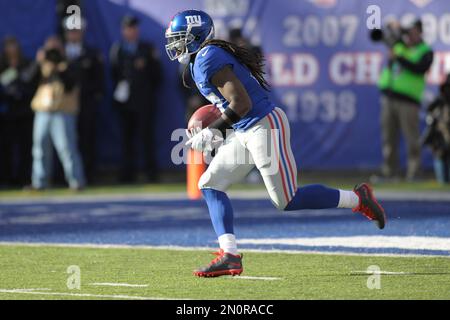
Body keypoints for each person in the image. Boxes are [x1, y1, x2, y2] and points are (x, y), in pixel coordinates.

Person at [165, 10, 387, 278]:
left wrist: (213, 132)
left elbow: (242, 103)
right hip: (246, 129)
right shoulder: (198, 61)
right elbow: (228, 103)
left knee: (287, 199)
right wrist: (215, 123)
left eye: (179, 37)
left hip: (263, 126)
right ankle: (230, 255)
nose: (175, 43)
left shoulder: (207, 57)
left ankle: (358, 198)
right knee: (210, 184)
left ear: (195, 36)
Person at [377, 19, 434, 182]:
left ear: (421, 33)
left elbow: (419, 68)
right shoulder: (400, 45)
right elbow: (378, 35)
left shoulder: (425, 51)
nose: (411, 35)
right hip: (389, 97)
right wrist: (392, 26)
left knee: (411, 139)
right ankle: (389, 172)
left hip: (409, 101)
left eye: (414, 31)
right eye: (408, 31)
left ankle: (414, 172)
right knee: (389, 138)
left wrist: (399, 57)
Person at [110, 15, 162, 183]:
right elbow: (114, 75)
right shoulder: (117, 50)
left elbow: (157, 77)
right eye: (127, 28)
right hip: (124, 103)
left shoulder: (147, 49)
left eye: (133, 28)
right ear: (123, 30)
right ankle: (127, 174)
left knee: (147, 138)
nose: (131, 31)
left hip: (144, 102)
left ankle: (150, 174)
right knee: (126, 140)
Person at [29, 35, 85, 190]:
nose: (53, 53)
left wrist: (59, 67)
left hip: (63, 111)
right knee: (39, 148)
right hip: (43, 111)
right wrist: (39, 62)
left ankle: (76, 182)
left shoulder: (69, 63)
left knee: (67, 148)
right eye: (50, 49)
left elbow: (70, 84)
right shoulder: (42, 66)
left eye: (56, 49)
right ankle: (39, 182)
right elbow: (27, 81)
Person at [63, 17, 104, 184]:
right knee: (66, 141)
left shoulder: (91, 53)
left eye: (77, 31)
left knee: (88, 139)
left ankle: (89, 175)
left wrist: (94, 98)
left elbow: (99, 80)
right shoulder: (60, 53)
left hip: (86, 104)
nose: (74, 34)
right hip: (64, 105)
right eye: (71, 31)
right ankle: (65, 177)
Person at [0, 36, 36, 187]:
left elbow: (31, 84)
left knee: (25, 147)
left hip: (25, 112)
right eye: (9, 46)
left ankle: (24, 178)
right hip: (6, 113)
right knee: (5, 148)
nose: (12, 49)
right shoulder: (2, 66)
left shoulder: (27, 64)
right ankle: (6, 178)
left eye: (14, 45)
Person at [422, 74, 450, 184]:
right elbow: (430, 113)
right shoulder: (439, 102)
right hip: (441, 138)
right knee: (440, 153)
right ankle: (442, 181)